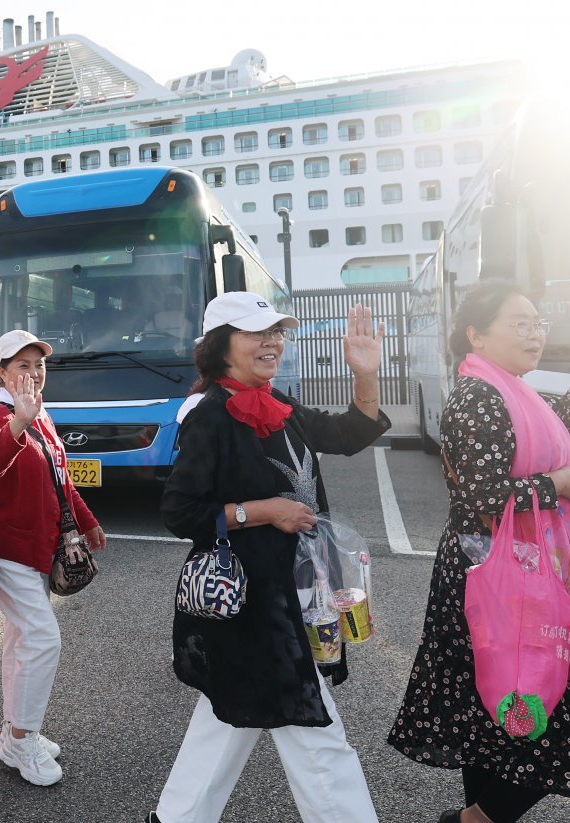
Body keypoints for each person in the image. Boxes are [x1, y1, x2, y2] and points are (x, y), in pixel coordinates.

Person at [388, 283, 570, 821]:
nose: (534, 334)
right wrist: (560, 484)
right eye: (519, 323)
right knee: (551, 709)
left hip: (515, 568)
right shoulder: (478, 396)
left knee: (499, 709)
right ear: (476, 334)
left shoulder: (514, 392)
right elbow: (483, 496)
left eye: (538, 324)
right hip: (495, 574)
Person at [149, 292, 387, 823]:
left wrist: (366, 375)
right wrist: (262, 511)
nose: (272, 342)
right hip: (257, 603)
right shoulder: (209, 415)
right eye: (256, 332)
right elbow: (180, 511)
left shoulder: (276, 401)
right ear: (221, 345)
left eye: (276, 332)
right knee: (311, 725)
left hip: (298, 587)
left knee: (229, 714)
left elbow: (348, 434)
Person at [0, 329, 106, 787]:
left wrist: (86, 520)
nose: (33, 372)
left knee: (21, 640)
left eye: (39, 364)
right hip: (8, 548)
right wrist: (18, 423)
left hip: (34, 545)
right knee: (42, 638)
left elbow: (58, 476)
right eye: (23, 366)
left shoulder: (36, 411)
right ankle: (21, 739)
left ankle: (15, 733)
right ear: (3, 372)